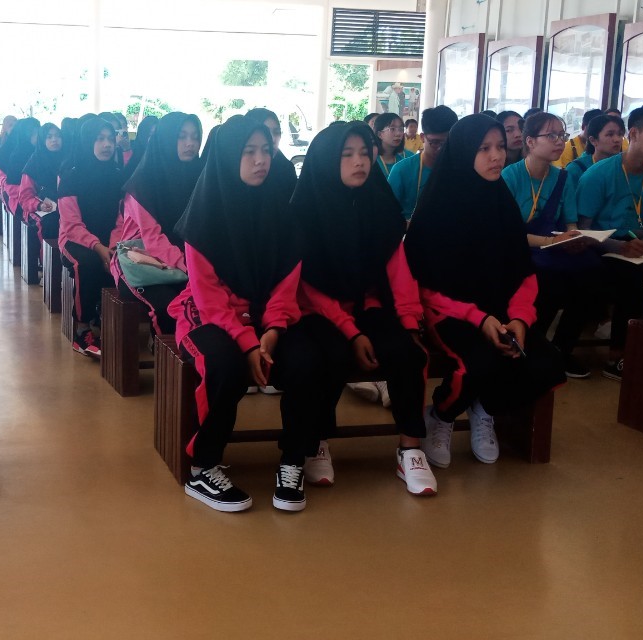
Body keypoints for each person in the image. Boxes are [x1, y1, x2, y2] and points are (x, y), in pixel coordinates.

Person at [405, 114, 566, 470]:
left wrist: (519, 318)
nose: (496, 156)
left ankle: (484, 408)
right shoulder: (437, 207)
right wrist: (479, 319)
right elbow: (424, 286)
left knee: (546, 361)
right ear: (464, 152)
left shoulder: (500, 201)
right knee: (478, 362)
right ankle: (442, 414)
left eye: (499, 147)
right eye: (484, 149)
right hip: (449, 312)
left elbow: (523, 271)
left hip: (502, 311)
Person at [288, 122, 436, 495]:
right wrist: (351, 331)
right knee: (332, 355)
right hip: (318, 310)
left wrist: (409, 322)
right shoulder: (305, 209)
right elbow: (305, 286)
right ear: (327, 159)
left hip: (368, 303)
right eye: (347, 154)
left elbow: (397, 268)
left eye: (365, 153)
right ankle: (317, 440)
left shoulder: (378, 202)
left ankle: (410, 448)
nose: (360, 162)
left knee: (407, 352)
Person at [168, 116, 302, 512]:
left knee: (307, 358)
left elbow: (287, 280)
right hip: (208, 313)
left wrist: (273, 329)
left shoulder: (281, 207)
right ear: (229, 156)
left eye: (266, 150)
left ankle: (295, 459)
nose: (261, 160)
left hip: (265, 315)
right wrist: (247, 343)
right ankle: (203, 467)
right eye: (249, 152)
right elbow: (209, 297)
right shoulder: (204, 214)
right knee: (224, 365)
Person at [577, 100, 643, 381]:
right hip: (598, 246)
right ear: (633, 133)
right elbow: (582, 231)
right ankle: (618, 355)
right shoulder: (598, 174)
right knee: (634, 276)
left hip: (637, 245)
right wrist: (619, 246)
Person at [502, 111, 603, 379]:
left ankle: (562, 349)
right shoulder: (510, 177)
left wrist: (573, 238)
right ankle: (531, 347)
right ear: (530, 141)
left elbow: (570, 222)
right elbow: (507, 234)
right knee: (549, 281)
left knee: (591, 273)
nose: (559, 141)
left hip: (551, 246)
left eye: (562, 135)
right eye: (552, 135)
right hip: (518, 248)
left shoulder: (562, 177)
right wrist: (553, 241)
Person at [109, 112, 204, 336]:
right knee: (169, 307)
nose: (190, 143)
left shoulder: (201, 178)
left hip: (182, 262)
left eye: (195, 137)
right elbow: (153, 239)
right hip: (141, 261)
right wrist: (190, 267)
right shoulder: (141, 185)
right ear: (166, 138)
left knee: (201, 303)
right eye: (181, 136)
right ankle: (166, 353)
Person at [59, 118, 124, 356]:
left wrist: (113, 247)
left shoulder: (118, 175)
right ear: (87, 142)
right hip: (74, 240)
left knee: (121, 262)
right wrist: (98, 247)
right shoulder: (71, 176)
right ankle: (82, 329)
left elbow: (121, 219)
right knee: (86, 264)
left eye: (110, 139)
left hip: (110, 240)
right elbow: (72, 225)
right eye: (99, 139)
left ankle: (109, 319)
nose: (107, 144)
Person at [387, 105, 457, 221]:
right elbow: (386, 213)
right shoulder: (402, 170)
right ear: (423, 137)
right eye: (435, 142)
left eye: (446, 143)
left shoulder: (459, 169)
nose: (441, 149)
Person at [19, 122, 66, 243]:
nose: (54, 140)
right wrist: (39, 205)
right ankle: (48, 255)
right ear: (42, 140)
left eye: (58, 136)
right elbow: (25, 197)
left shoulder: (68, 160)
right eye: (49, 137)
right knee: (51, 222)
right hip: (41, 206)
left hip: (64, 204)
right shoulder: (34, 163)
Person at [245, 108, 297, 184]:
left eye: (277, 132)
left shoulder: (286, 170)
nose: (272, 139)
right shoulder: (233, 173)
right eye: (266, 132)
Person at [565, 114, 624, 180]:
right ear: (593, 140)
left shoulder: (625, 166)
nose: (617, 139)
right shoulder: (577, 169)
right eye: (610, 135)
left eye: (620, 134)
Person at [372, 113, 414, 179]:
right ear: (380, 134)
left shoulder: (409, 157)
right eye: (392, 129)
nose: (398, 134)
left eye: (401, 129)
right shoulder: (371, 159)